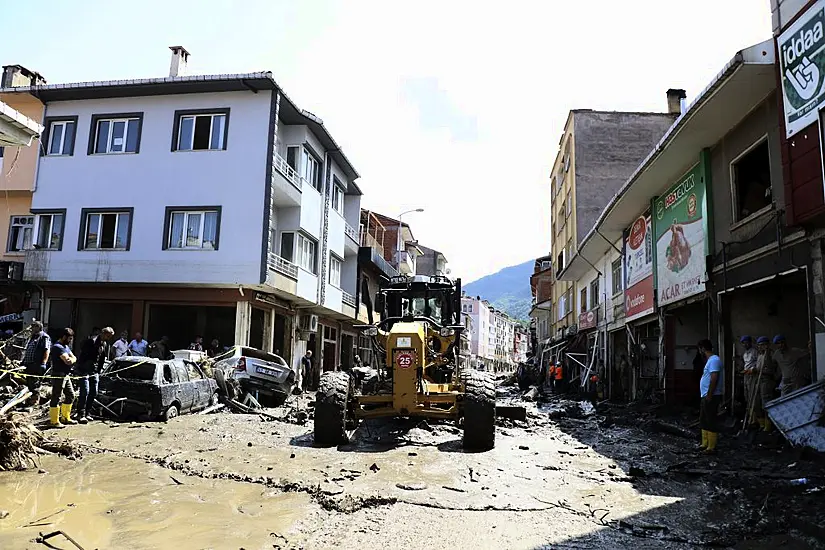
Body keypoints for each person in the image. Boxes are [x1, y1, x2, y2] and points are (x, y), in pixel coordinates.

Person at [75, 326, 113, 423]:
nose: (109, 339)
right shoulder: (91, 341)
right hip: (84, 370)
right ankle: (81, 414)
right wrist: (80, 369)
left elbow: (102, 358)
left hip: (94, 372)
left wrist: (99, 371)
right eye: (108, 336)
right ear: (103, 333)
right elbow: (83, 355)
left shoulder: (104, 344)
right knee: (85, 392)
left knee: (93, 392)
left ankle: (88, 413)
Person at [697, 339, 724, 454]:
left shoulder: (714, 360)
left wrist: (710, 394)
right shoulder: (710, 360)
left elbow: (714, 378)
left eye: (700, 349)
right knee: (704, 419)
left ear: (703, 348)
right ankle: (705, 443)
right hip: (705, 395)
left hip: (711, 395)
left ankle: (711, 447)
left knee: (710, 419)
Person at [49, 328, 77, 428]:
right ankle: (54, 421)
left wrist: (72, 359)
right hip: (58, 375)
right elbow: (68, 361)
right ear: (64, 337)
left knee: (70, 395)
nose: (70, 341)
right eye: (69, 338)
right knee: (56, 397)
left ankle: (65, 417)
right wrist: (72, 359)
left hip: (66, 374)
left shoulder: (65, 346)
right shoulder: (58, 347)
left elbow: (73, 357)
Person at [22, 321, 50, 407]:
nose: (31, 329)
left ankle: (35, 401)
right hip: (29, 364)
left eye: (33, 327)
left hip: (37, 364)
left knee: (35, 383)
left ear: (38, 327)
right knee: (29, 382)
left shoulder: (44, 337)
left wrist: (44, 363)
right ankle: (31, 399)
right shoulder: (33, 337)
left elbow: (46, 350)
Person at [755, 336, 777, 432]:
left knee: (766, 403)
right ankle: (762, 424)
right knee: (758, 402)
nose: (760, 347)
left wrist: (763, 372)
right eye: (759, 345)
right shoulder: (760, 355)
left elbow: (772, 370)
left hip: (767, 381)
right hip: (759, 380)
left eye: (762, 345)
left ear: (767, 345)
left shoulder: (770, 355)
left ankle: (769, 425)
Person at [738, 336, 759, 427]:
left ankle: (754, 419)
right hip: (746, 375)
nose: (745, 344)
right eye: (743, 343)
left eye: (747, 342)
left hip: (752, 375)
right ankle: (750, 417)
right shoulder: (745, 353)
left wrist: (752, 369)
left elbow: (758, 363)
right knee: (747, 396)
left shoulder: (754, 352)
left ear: (750, 342)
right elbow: (745, 364)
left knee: (752, 395)